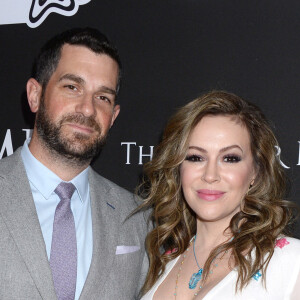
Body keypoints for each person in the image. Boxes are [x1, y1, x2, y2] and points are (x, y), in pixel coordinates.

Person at [0, 28, 148, 300]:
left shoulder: (136, 217)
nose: (88, 109)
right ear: (35, 95)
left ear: (113, 116)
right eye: (72, 87)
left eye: (103, 97)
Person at [139, 91, 300, 299]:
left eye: (230, 159)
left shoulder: (290, 262)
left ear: (255, 172)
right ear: (178, 167)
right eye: (196, 157)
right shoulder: (166, 262)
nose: (210, 175)